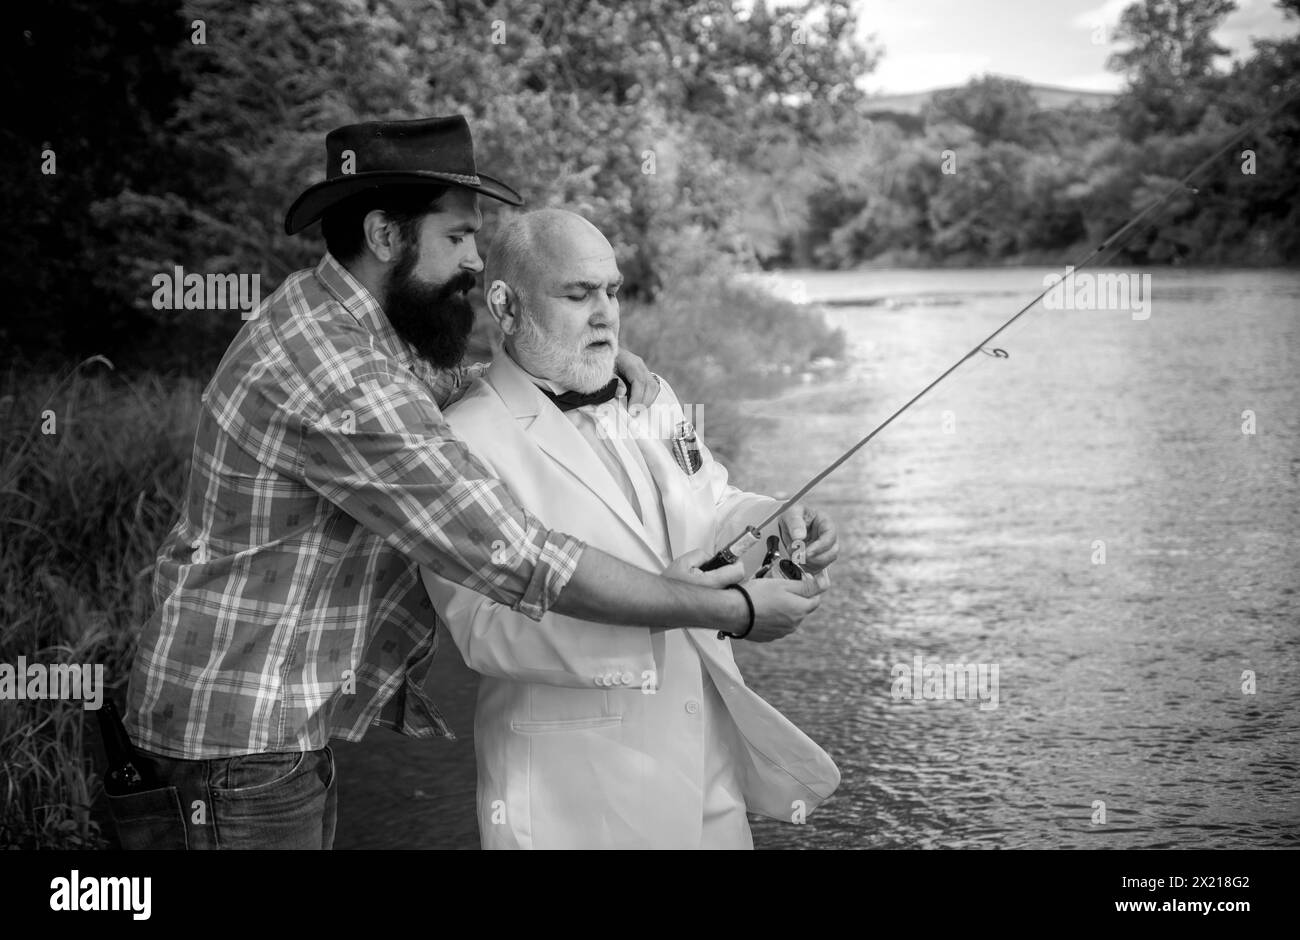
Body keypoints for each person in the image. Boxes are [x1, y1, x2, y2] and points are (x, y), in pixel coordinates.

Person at [111, 116, 823, 850]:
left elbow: (475, 376)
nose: (476, 262)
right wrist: (731, 610)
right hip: (233, 745)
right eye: (457, 237)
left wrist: (594, 348)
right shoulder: (337, 372)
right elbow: (518, 554)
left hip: (262, 734)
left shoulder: (352, 325)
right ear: (387, 236)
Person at [421, 208, 840, 849]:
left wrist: (775, 521)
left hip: (709, 771)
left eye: (612, 291)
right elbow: (486, 633)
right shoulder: (462, 440)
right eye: (577, 294)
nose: (605, 314)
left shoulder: (648, 395)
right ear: (505, 306)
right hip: (577, 800)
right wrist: (669, 605)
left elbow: (712, 501)